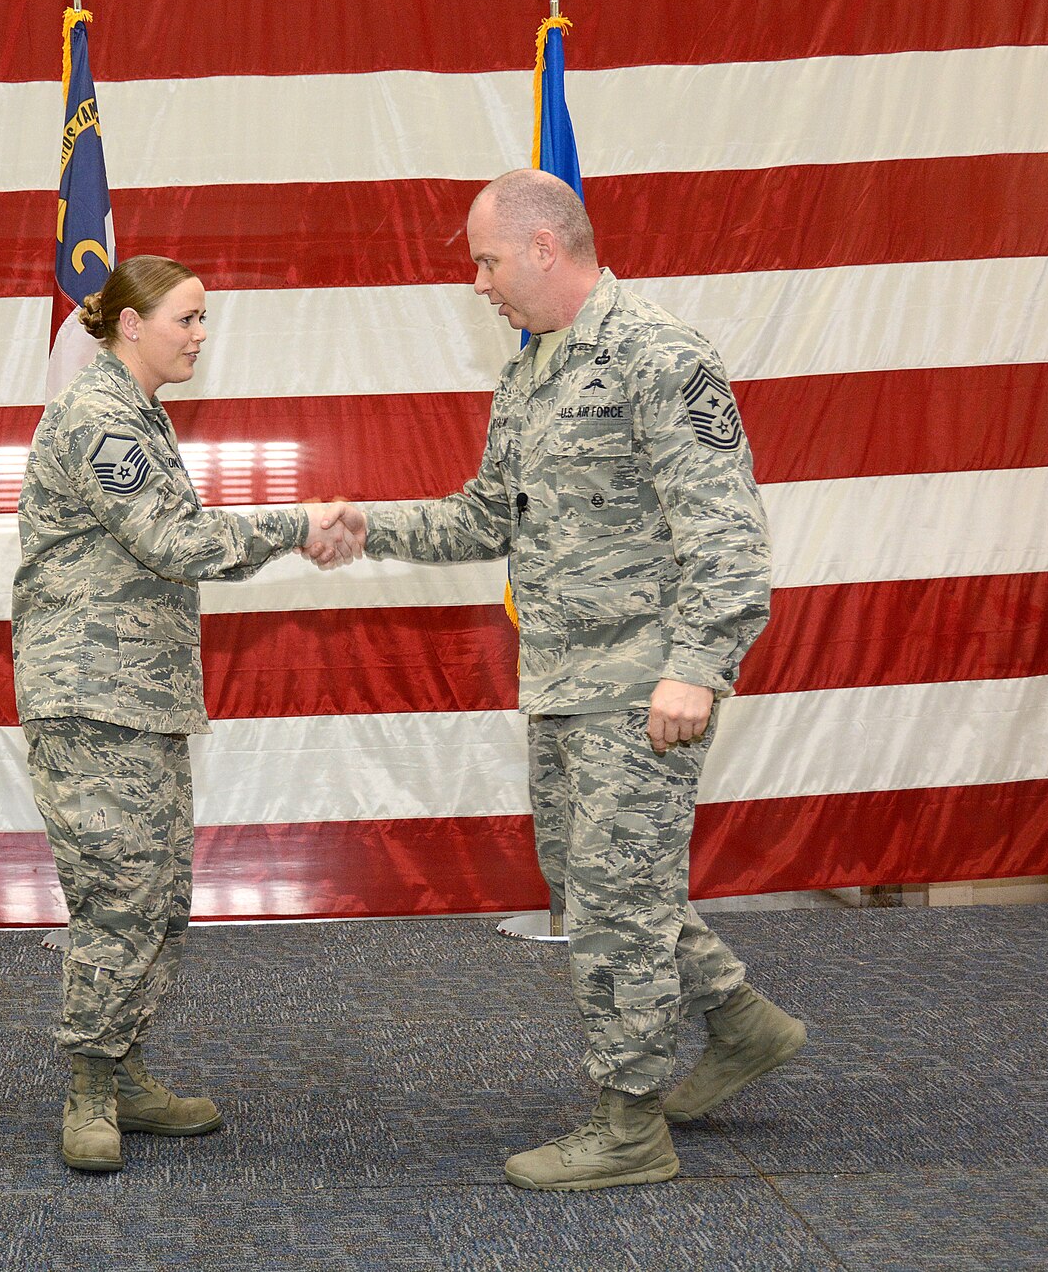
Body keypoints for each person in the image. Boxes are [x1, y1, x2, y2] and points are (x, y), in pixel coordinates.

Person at [320, 169, 807, 1191]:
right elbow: (485, 515)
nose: (478, 284)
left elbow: (726, 533)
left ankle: (628, 1127)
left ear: (545, 249)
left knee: (616, 906)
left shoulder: (657, 355)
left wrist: (695, 669)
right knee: (597, 876)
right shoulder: (530, 371)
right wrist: (372, 526)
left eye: (486, 261)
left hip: (642, 688)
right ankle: (738, 1020)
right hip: (560, 680)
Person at [13, 254, 358, 1173]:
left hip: (140, 694)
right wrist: (294, 523)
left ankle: (122, 1068)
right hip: (92, 696)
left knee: (160, 897)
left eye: (205, 320)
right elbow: (171, 541)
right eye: (187, 318)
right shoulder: (98, 417)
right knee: (118, 894)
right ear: (131, 324)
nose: (201, 335)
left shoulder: (139, 415)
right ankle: (89, 1084)